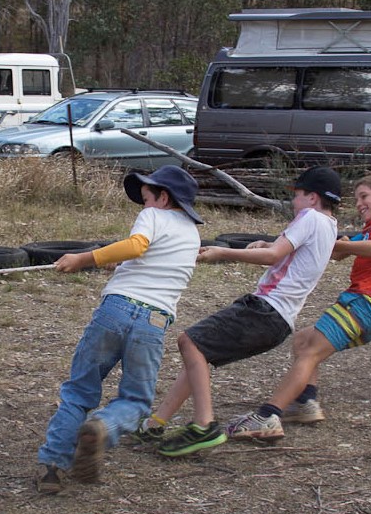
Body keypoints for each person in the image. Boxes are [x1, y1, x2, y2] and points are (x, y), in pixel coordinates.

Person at [137, 166, 342, 457]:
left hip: (265, 309)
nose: (294, 202)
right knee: (199, 354)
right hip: (280, 321)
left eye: (297, 195)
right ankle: (155, 423)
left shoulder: (309, 217)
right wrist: (268, 244)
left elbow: (273, 256)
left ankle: (204, 425)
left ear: (312, 197)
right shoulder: (330, 226)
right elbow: (291, 253)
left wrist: (224, 252)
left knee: (189, 342)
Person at [35, 165, 204, 494]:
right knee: (136, 401)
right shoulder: (192, 235)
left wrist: (85, 258)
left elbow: (137, 246)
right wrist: (120, 261)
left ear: (163, 198)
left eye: (146, 198)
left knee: (79, 391)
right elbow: (151, 262)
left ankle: (52, 469)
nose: (144, 205)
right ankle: (105, 426)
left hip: (115, 310)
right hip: (154, 321)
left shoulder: (153, 216)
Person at [223, 173, 371, 440]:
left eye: (364, 196)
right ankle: (306, 403)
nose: (359, 203)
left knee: (309, 353)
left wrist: (332, 241)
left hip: (364, 303)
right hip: (365, 307)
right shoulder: (370, 229)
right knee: (302, 340)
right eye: (357, 198)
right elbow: (335, 252)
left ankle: (267, 416)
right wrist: (275, 245)